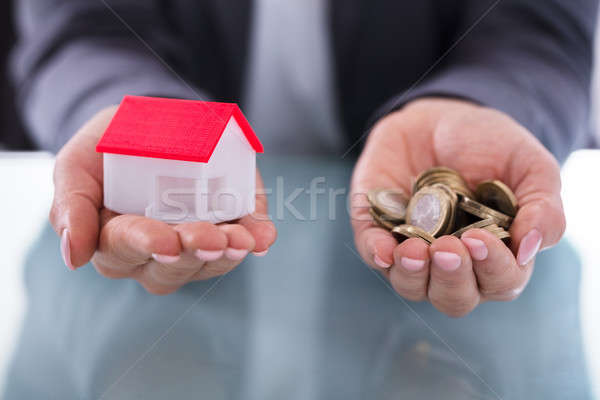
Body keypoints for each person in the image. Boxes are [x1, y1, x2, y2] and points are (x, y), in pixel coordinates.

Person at [10, 0, 597, 318]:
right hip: (169, 317)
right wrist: (138, 116)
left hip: (379, 317)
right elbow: (83, 26)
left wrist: (481, 104)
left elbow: (533, 24)